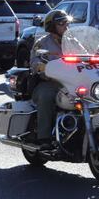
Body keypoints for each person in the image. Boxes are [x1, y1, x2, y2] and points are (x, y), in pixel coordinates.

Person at [29, 9, 70, 148]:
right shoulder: (43, 43)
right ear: (52, 26)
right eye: (62, 23)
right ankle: (44, 138)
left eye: (67, 23)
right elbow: (34, 63)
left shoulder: (73, 41)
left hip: (72, 82)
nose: (66, 26)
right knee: (46, 96)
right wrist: (42, 67)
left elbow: (86, 54)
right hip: (50, 82)